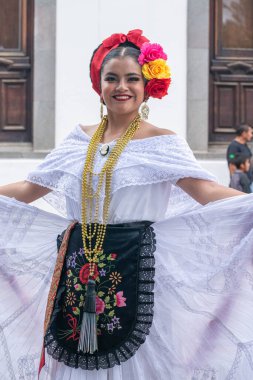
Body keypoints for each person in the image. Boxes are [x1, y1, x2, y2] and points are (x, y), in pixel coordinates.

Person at [1, 29, 253, 380]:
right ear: (99, 85)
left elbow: (207, 191)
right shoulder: (77, 139)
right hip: (77, 272)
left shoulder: (163, 142)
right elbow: (30, 188)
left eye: (132, 78)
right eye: (112, 78)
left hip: (140, 268)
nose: (122, 87)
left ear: (148, 83)